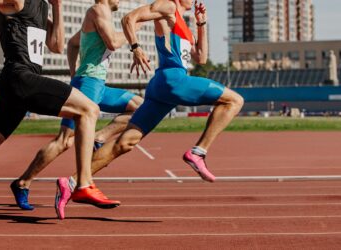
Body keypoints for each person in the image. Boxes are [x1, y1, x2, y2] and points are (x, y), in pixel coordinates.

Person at [55, 0, 244, 217]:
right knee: (234, 101)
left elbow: (200, 58)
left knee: (125, 143)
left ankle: (71, 182)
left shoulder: (183, 22)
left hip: (161, 89)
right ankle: (198, 152)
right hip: (173, 80)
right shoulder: (168, 7)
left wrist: (201, 25)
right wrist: (136, 48)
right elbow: (129, 19)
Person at [9, 0, 144, 218]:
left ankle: (99, 137)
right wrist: (134, 26)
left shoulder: (102, 16)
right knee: (64, 141)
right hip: (89, 84)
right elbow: (112, 43)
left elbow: (72, 44)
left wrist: (74, 73)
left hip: (97, 85)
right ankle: (22, 182)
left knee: (141, 107)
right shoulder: (97, 10)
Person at [0, 0, 113, 210]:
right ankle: (84, 184)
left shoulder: (42, 6)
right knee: (88, 110)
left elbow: (56, 46)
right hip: (19, 77)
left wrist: (58, 7)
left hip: (16, 87)